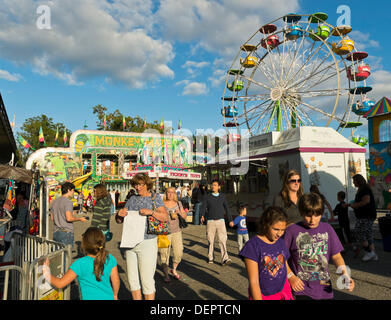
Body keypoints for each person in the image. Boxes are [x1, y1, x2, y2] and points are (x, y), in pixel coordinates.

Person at [284, 193, 354, 300]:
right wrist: (291, 277)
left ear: (321, 213)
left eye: (317, 215)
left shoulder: (328, 229)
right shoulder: (291, 231)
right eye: (308, 215)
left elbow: (337, 257)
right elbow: (280, 257)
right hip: (301, 289)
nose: (312, 220)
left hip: (324, 288)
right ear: (301, 212)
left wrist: (345, 275)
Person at [116, 173, 168, 300]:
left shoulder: (155, 198)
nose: (138, 187)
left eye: (140, 184)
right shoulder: (132, 199)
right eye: (135, 185)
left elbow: (165, 217)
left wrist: (151, 212)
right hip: (130, 242)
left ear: (147, 184)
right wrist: (119, 215)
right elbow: (119, 221)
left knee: (147, 281)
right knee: (132, 280)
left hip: (147, 242)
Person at [43, 227, 120, 300]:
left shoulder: (79, 264)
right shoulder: (110, 258)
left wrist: (46, 273)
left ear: (84, 245)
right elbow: (116, 280)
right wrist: (115, 295)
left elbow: (60, 283)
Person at [240, 206, 293, 300]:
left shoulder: (281, 242)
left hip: (283, 291)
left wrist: (292, 277)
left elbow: (284, 264)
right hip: (263, 294)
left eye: (283, 230)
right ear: (265, 224)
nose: (280, 234)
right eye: (276, 229)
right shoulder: (252, 246)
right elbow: (254, 282)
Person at [200, 179, 233, 265]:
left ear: (219, 187)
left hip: (221, 221)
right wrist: (202, 215)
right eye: (212, 185)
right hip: (210, 221)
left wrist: (230, 220)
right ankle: (210, 257)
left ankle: (225, 259)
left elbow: (227, 209)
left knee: (223, 240)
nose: (213, 186)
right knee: (211, 240)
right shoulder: (207, 197)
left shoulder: (222, 197)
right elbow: (203, 207)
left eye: (215, 185)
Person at [159, 187, 187, 283]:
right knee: (164, 254)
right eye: (168, 192)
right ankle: (166, 274)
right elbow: (156, 215)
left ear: (175, 194)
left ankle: (174, 269)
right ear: (166, 194)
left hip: (176, 231)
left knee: (179, 252)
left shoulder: (178, 203)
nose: (170, 194)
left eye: (172, 192)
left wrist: (179, 213)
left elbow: (184, 216)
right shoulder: (161, 204)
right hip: (164, 232)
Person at [348, 174, 378, 261]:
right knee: (368, 233)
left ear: (358, 181)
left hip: (366, 215)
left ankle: (369, 252)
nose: (353, 183)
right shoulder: (363, 189)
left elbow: (366, 200)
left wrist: (355, 205)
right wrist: (352, 204)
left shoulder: (364, 189)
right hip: (367, 215)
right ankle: (373, 253)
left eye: (354, 181)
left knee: (359, 232)